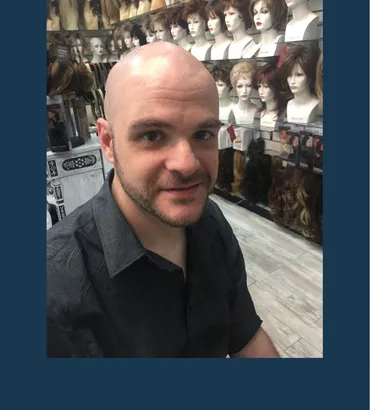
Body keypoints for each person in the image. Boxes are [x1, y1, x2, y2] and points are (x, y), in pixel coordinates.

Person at [47, 42, 280, 358]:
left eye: (203, 134)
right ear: (108, 142)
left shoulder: (210, 222)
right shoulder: (53, 289)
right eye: (152, 135)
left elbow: (246, 338)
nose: (187, 164)